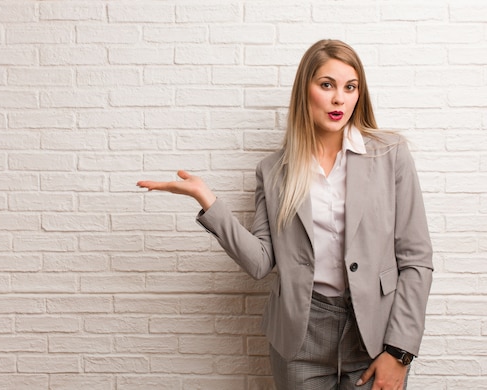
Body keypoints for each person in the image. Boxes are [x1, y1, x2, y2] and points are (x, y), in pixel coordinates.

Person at [137, 39, 433, 390]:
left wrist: (399, 352)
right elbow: (261, 262)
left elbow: (416, 259)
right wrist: (208, 201)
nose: (340, 98)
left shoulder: (390, 155)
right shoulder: (274, 170)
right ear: (304, 90)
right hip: (300, 337)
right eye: (327, 85)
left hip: (375, 333)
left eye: (350, 87)